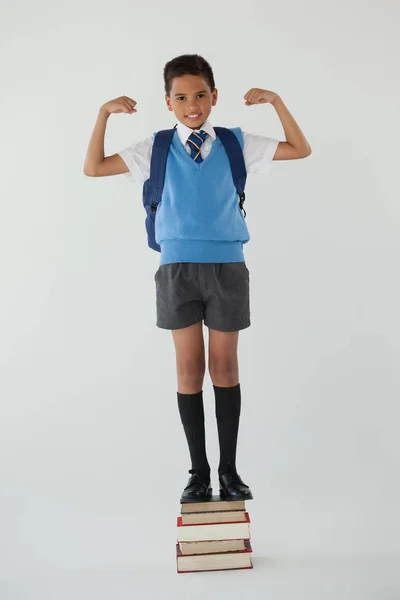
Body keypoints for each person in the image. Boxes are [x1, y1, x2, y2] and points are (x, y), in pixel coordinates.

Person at [83, 54, 311, 504]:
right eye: (182, 97)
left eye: (201, 95)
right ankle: (198, 473)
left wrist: (277, 102)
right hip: (177, 270)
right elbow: (93, 168)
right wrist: (103, 114)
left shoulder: (233, 142)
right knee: (189, 369)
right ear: (167, 102)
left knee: (224, 368)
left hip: (228, 267)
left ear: (214, 97)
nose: (192, 105)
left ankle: (229, 470)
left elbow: (300, 149)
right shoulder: (158, 148)